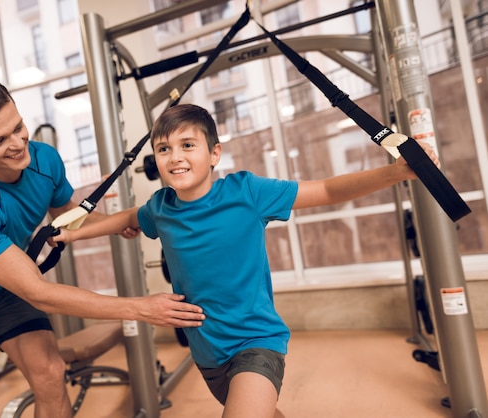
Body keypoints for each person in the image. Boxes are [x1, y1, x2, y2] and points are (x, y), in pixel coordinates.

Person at [51, 103, 440, 418]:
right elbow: (126, 218)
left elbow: (326, 189)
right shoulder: (161, 208)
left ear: (214, 153)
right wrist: (72, 233)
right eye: (164, 149)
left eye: (188, 145)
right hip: (206, 351)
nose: (175, 157)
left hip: (257, 340)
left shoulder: (246, 192)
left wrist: (399, 172)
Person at [0, 78, 205, 418]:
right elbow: (39, 293)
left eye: (18, 126)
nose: (19, 142)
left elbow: (67, 214)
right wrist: (142, 309)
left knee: (51, 373)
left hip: (7, 290)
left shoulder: (45, 160)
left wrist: (124, 222)